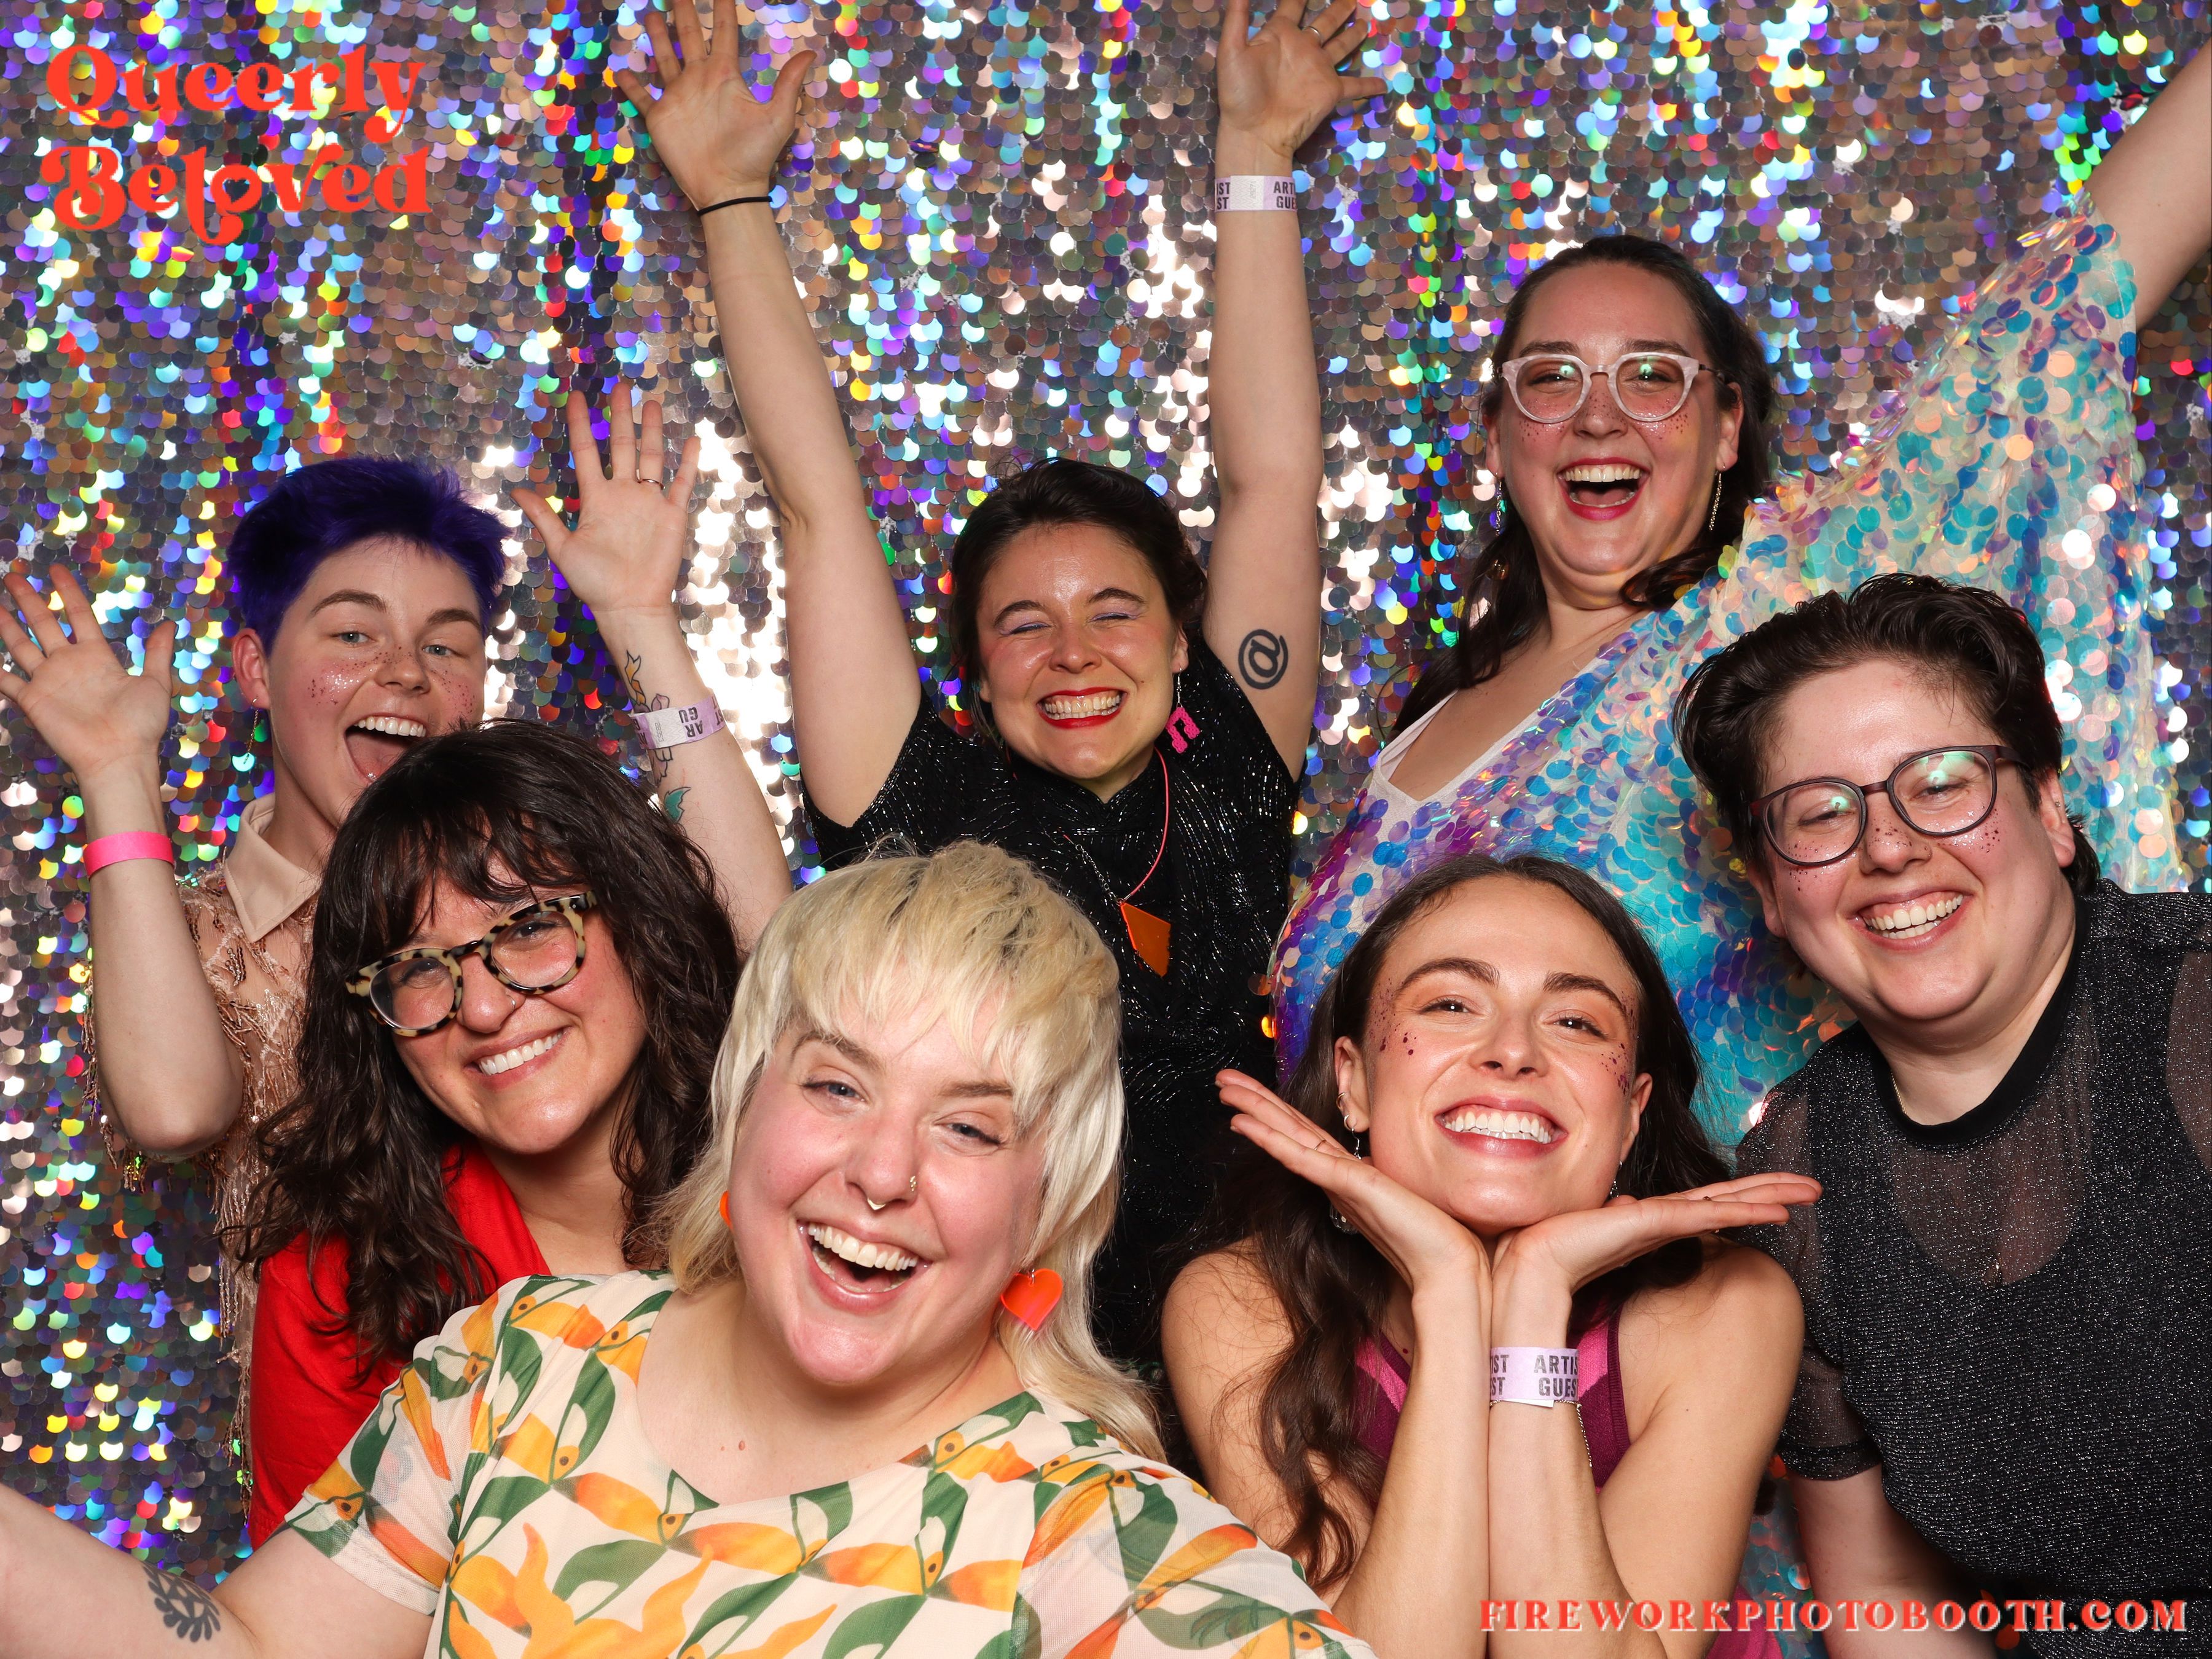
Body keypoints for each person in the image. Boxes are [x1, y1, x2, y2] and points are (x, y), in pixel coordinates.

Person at [0, 843, 1381, 1659]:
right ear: (746, 1096)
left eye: (969, 1128)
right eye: (837, 1088)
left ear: (1049, 1199)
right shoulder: (522, 1369)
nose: (882, 1175)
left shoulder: (1087, 1537)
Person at [616, 0, 1383, 1354]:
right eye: (1025, 626)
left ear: (1183, 634)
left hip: (1261, 1345)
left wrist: (1254, 151)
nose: (1076, 654)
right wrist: (732, 197)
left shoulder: (1231, 750)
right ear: (971, 672)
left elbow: (1275, 479)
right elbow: (818, 508)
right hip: (991, 1368)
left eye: (1114, 613)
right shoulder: (917, 800)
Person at [1273, 45, 2212, 1140]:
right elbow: (1268, 487)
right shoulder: (1420, 730)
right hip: (1367, 1298)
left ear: (1726, 428)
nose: (1598, 417)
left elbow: (2061, 304)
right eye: (1551, 378)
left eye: (1652, 375)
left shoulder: (1775, 611)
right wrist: (1253, 155)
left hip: (1688, 1293)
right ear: (1496, 438)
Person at [0, 382, 789, 1427]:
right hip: (349, 1446)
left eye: (448, 645)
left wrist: (639, 621)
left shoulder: (553, 889)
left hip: (663, 1401)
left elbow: (760, 951)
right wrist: (111, 772)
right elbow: (177, 1110)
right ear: (255, 671)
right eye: (353, 638)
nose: (408, 675)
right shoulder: (192, 938)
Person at [1674, 575, 2212, 1649]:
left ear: (2051, 809)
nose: (1889, 847)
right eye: (1820, 814)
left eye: (1944, 783)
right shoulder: (1798, 1181)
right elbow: (1884, 1603)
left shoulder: (2196, 1005)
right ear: (1773, 892)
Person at [1164, 852, 1818, 1658]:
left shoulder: (1727, 1305)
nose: (1513, 1052)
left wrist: (1533, 1299)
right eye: (1449, 1004)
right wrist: (1450, 1289)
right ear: (1354, 1083)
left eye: (1576, 1022)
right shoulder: (1237, 1307)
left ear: (1632, 1117)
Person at [229, 718, 748, 1545]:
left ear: (642, 920)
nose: (482, 1008)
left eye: (532, 928)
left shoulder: (802, 1181)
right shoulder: (337, 1287)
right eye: (417, 970)